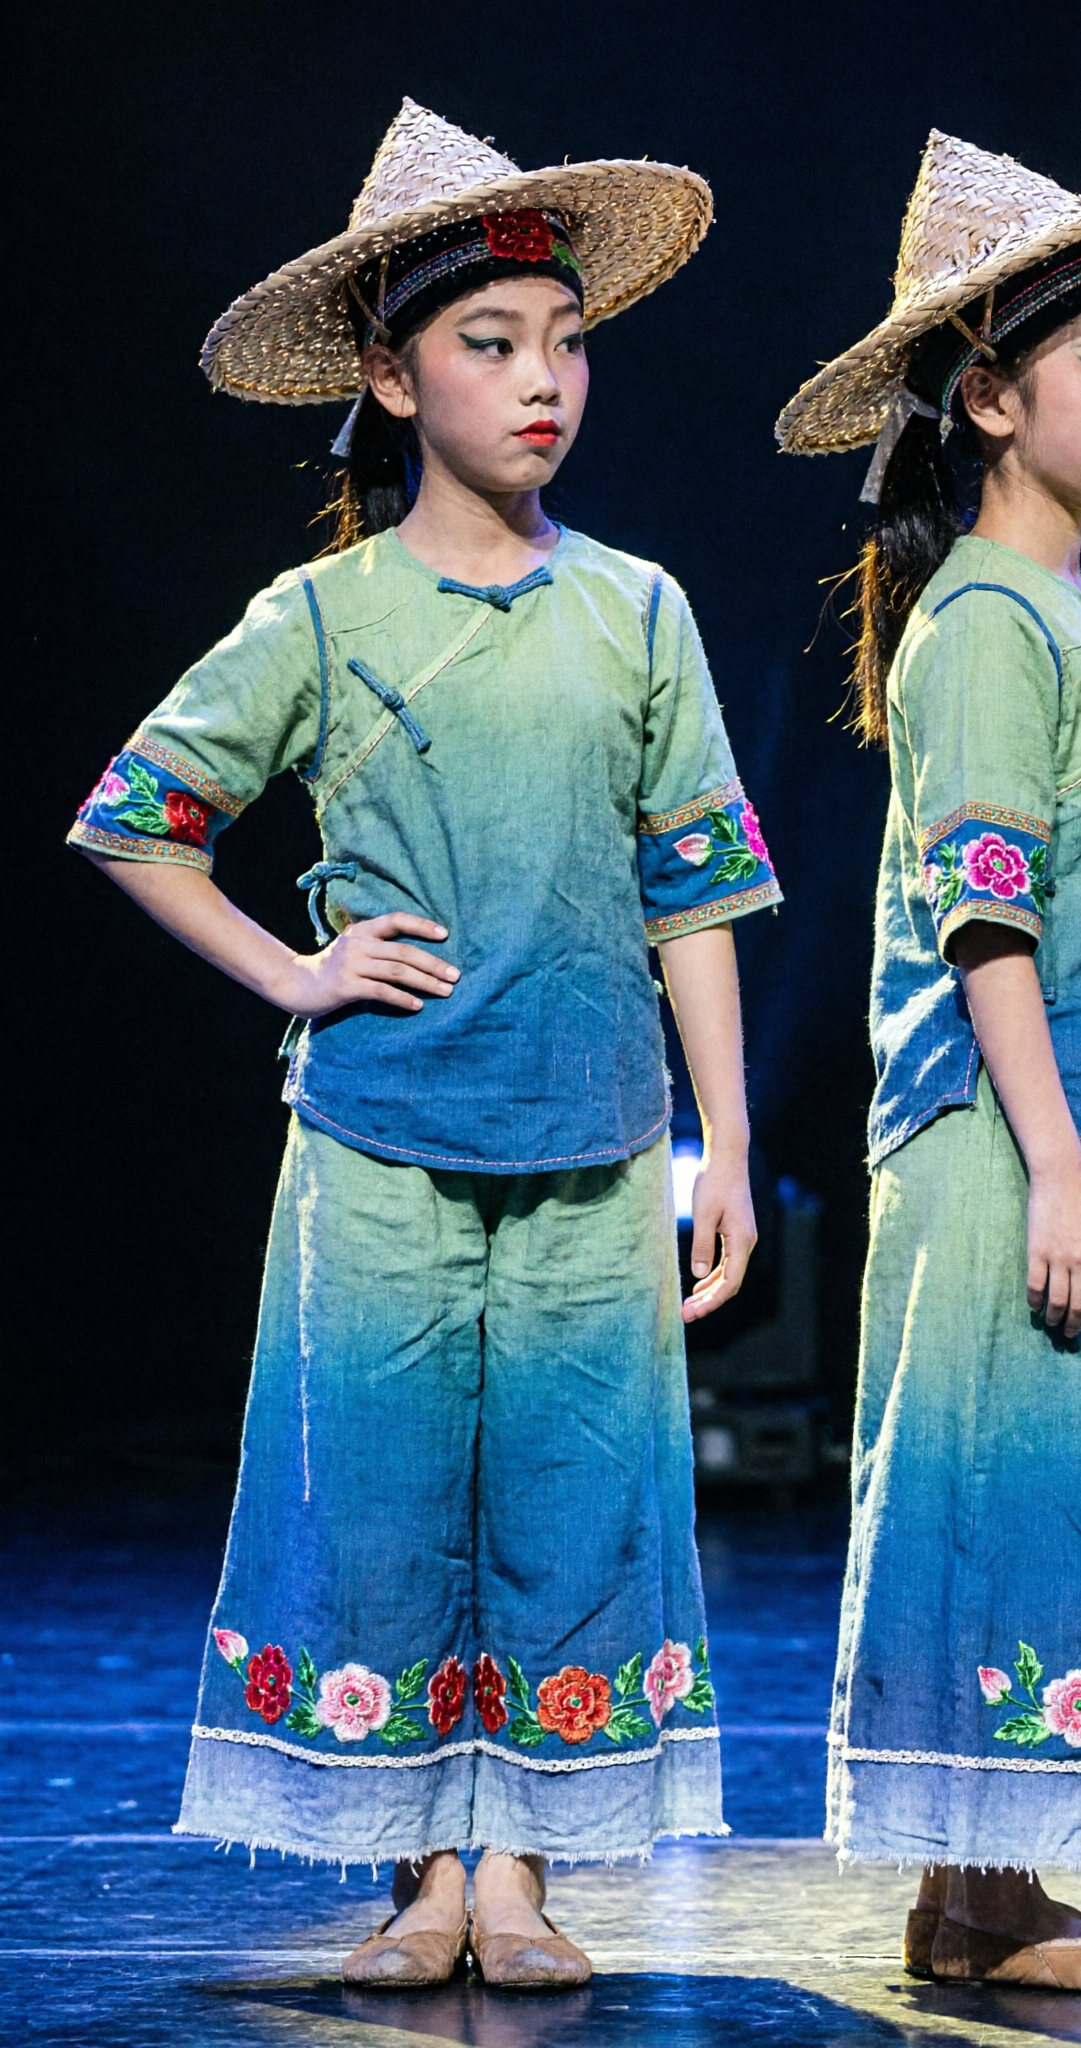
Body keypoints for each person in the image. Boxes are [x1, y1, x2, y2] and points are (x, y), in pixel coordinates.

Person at [68, 101, 779, 1989]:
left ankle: (525, 1872)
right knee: (374, 1496)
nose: (544, 381)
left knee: (573, 1499)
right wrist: (293, 975)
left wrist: (723, 1140)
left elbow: (695, 892)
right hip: (380, 1140)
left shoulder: (640, 609)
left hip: (595, 1134)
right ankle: (411, 1878)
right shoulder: (318, 614)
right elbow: (139, 814)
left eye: (566, 344)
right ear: (392, 377)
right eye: (492, 344)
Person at [775, 132, 1081, 1993]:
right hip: (989, 1132)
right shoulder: (981, 616)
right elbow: (992, 919)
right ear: (989, 398)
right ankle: (992, 1896)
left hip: (1056, 1134)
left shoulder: (1069, 610)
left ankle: (985, 1893)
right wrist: (1057, 1157)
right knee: (997, 1484)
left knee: (1055, 1484)